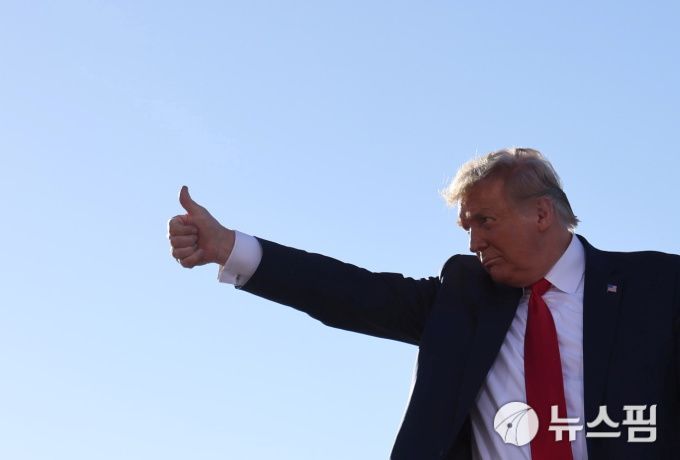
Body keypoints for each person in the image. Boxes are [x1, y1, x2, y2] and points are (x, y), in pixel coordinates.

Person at [167, 148, 679, 459]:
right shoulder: (463, 297)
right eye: (466, 227)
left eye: (485, 221)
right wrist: (229, 246)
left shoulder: (659, 287)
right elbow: (349, 292)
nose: (474, 243)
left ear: (542, 214)